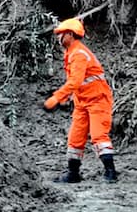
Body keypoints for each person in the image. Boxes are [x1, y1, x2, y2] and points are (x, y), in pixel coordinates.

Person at [44, 18, 117, 183]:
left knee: (99, 136)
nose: (58, 38)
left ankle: (110, 172)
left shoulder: (78, 54)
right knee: (75, 137)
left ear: (69, 34)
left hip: (98, 99)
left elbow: (75, 81)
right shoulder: (71, 53)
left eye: (60, 34)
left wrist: (56, 98)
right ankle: (73, 174)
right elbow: (78, 83)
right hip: (82, 102)